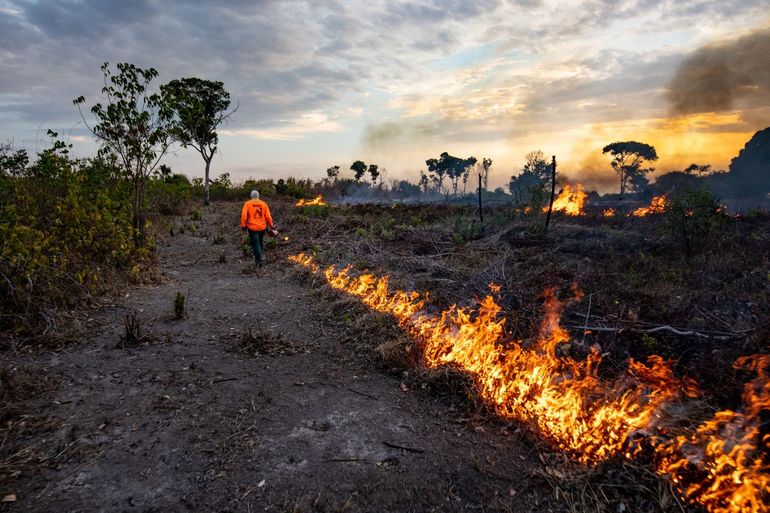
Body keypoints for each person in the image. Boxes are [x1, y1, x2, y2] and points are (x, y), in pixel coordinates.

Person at [240, 190, 275, 267]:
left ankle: (259, 262)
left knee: (256, 244)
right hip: (262, 228)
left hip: (252, 228)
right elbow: (268, 216)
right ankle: (259, 260)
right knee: (260, 243)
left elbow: (243, 216)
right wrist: (272, 226)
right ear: (258, 196)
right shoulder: (264, 204)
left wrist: (243, 226)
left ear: (251, 197)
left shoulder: (247, 204)